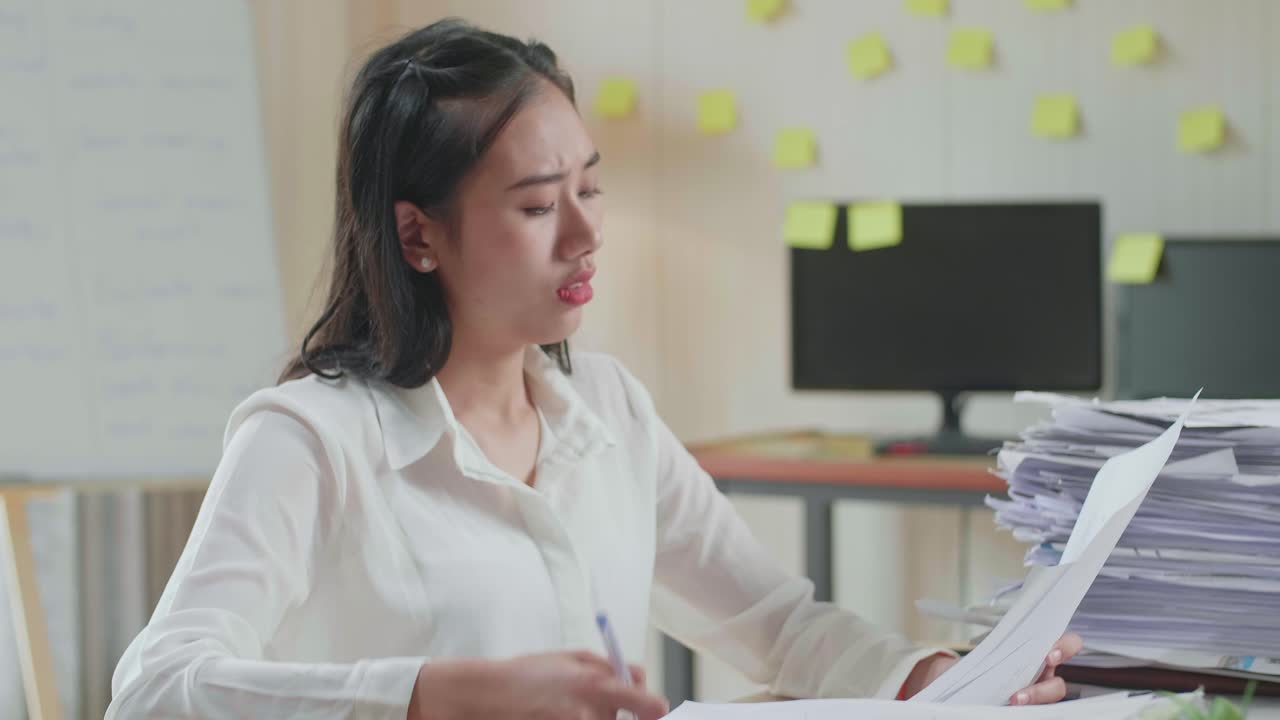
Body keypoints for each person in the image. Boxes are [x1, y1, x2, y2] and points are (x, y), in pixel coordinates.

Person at [107, 18, 1081, 720]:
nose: (584, 234)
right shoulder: (309, 438)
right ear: (417, 236)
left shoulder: (607, 407)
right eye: (537, 207)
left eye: (590, 187)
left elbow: (777, 625)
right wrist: (428, 696)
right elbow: (153, 690)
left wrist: (943, 678)